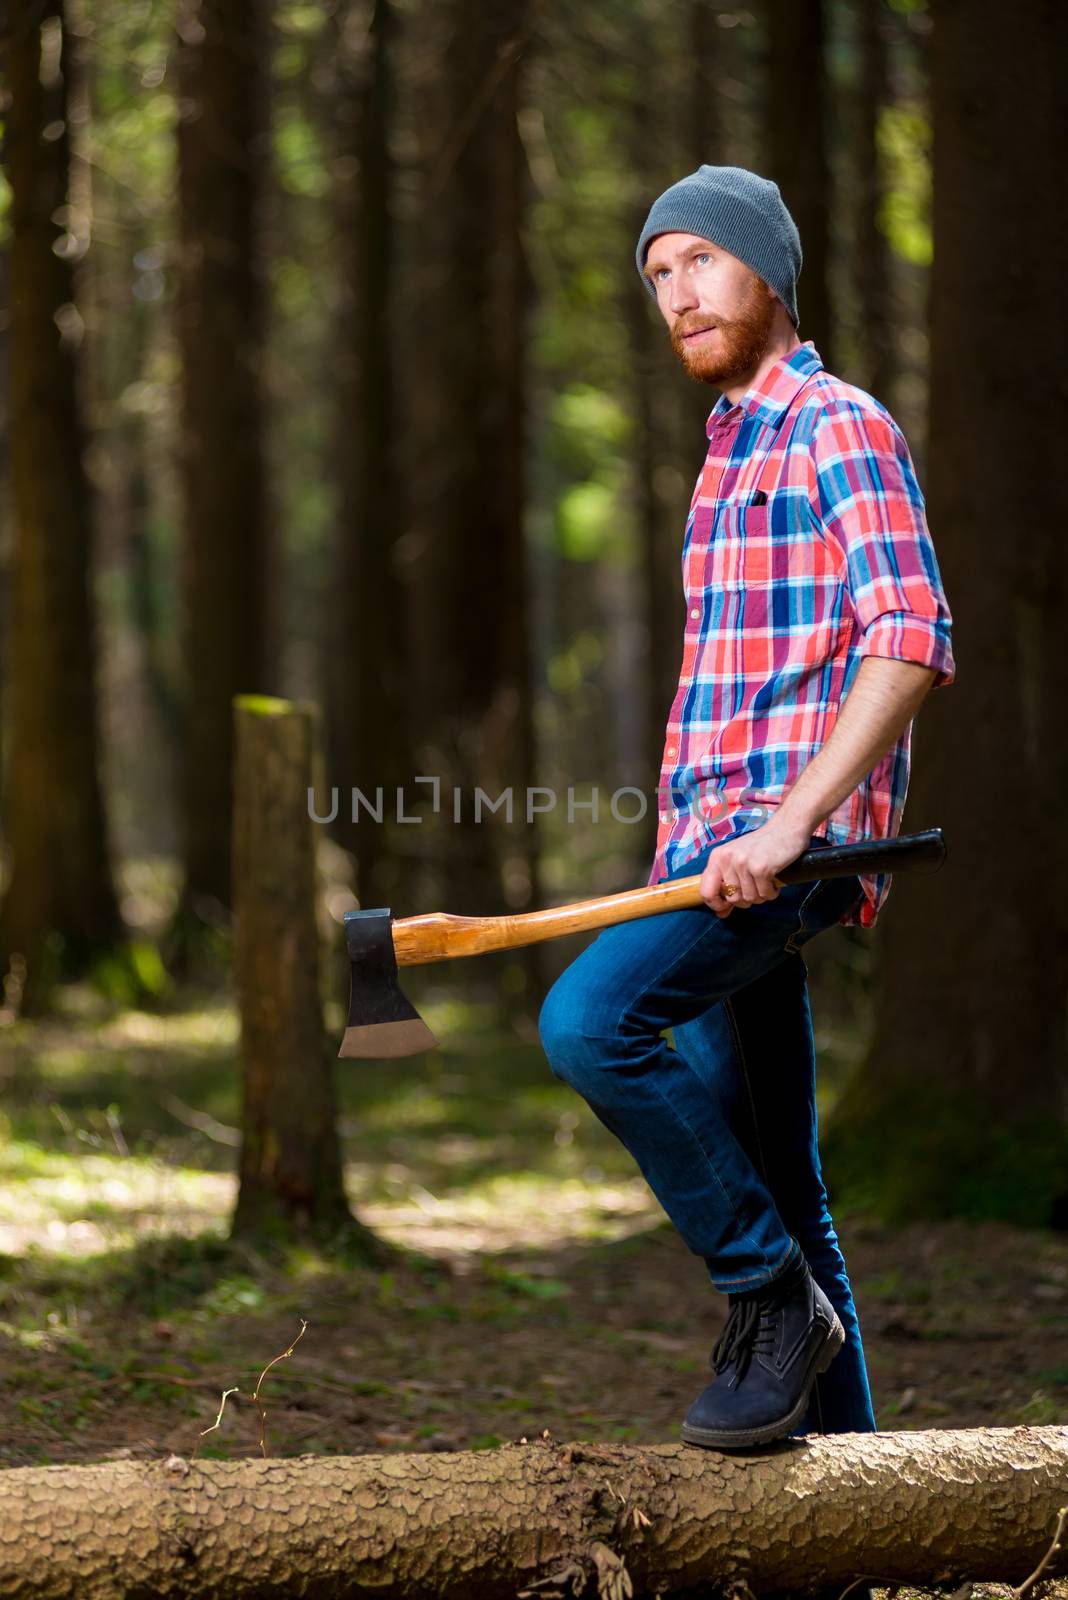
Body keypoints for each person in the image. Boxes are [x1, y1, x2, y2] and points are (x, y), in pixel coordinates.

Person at [538, 165, 955, 1451]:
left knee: (589, 1019)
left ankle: (767, 1295)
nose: (677, 294)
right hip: (710, 858)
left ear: (767, 267)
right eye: (657, 277)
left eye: (701, 262)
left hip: (790, 848)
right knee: (788, 1179)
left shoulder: (837, 425)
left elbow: (912, 635)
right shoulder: (726, 459)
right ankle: (872, 1523)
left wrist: (788, 831)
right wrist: (694, 850)